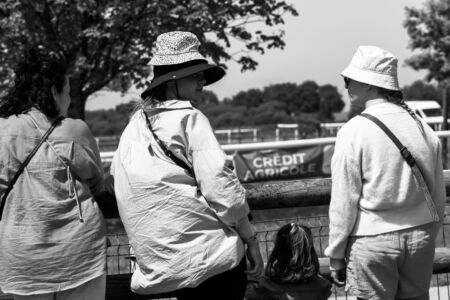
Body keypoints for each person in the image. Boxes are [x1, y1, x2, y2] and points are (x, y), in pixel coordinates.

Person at [110, 31, 263, 300]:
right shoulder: (190, 118)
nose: (202, 82)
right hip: (213, 261)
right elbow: (222, 189)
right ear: (172, 81)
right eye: (195, 75)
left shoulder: (134, 126)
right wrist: (250, 238)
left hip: (162, 265)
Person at [325, 45, 446, 300]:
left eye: (349, 79)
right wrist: (429, 232)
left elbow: (344, 199)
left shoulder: (354, 130)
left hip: (373, 241)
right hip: (420, 238)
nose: (346, 85)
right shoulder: (421, 126)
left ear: (369, 83)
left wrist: (336, 254)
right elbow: (437, 193)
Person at [0, 47, 107, 300]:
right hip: (81, 255)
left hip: (22, 258)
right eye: (67, 93)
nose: (69, 101)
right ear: (54, 92)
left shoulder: (3, 130)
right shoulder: (75, 130)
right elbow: (96, 182)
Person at [246, 223, 331, 300]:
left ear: (278, 252)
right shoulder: (321, 286)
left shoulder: (266, 287)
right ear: (310, 252)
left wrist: (253, 271)